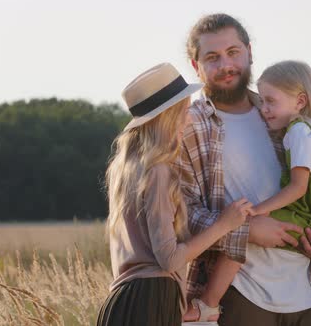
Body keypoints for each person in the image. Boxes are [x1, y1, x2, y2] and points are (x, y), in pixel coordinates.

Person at [179, 14, 311, 326]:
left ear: (250, 52)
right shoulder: (187, 127)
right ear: (195, 65)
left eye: (233, 53)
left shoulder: (287, 117)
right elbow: (177, 213)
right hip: (240, 295)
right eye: (212, 58)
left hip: (306, 293)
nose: (225, 65)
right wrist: (245, 230)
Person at [96, 62, 252, 326]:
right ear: (166, 118)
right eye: (183, 110)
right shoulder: (158, 172)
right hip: (150, 300)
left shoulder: (124, 169)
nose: (188, 118)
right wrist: (224, 224)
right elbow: (169, 259)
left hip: (121, 303)